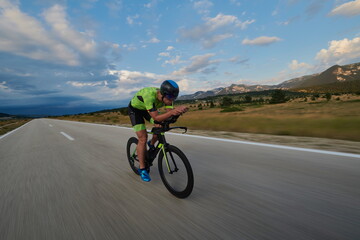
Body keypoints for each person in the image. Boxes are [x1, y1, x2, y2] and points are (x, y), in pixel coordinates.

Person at [128, 80, 188, 182]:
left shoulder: (168, 97)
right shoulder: (149, 96)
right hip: (136, 111)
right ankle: (142, 168)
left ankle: (151, 145)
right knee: (142, 138)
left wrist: (177, 113)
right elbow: (156, 118)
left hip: (148, 109)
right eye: (169, 98)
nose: (171, 101)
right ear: (163, 94)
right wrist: (173, 112)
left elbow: (169, 116)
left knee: (160, 126)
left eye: (174, 98)